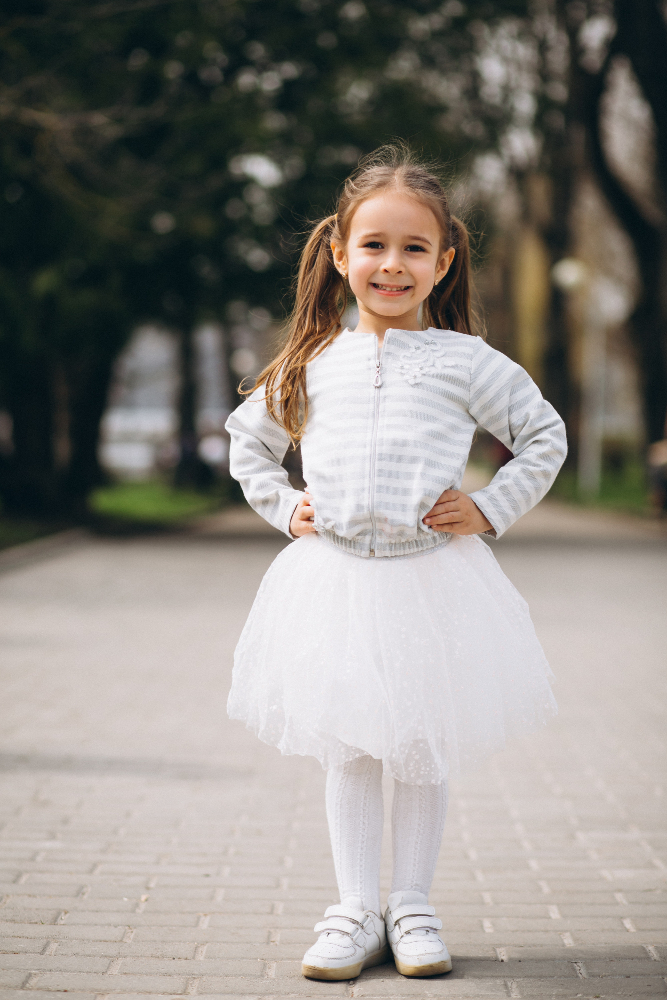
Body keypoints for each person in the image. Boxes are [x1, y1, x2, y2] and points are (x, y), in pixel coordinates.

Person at [225, 146, 567, 981]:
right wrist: (284, 505)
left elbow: (543, 435)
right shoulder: (311, 363)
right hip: (334, 582)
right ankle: (353, 910)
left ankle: (411, 904)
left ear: (444, 261)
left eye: (414, 248)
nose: (392, 264)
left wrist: (488, 506)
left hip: (431, 580)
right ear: (340, 254)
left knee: (418, 744)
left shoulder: (465, 361)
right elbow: (248, 445)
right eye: (373, 245)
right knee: (351, 745)